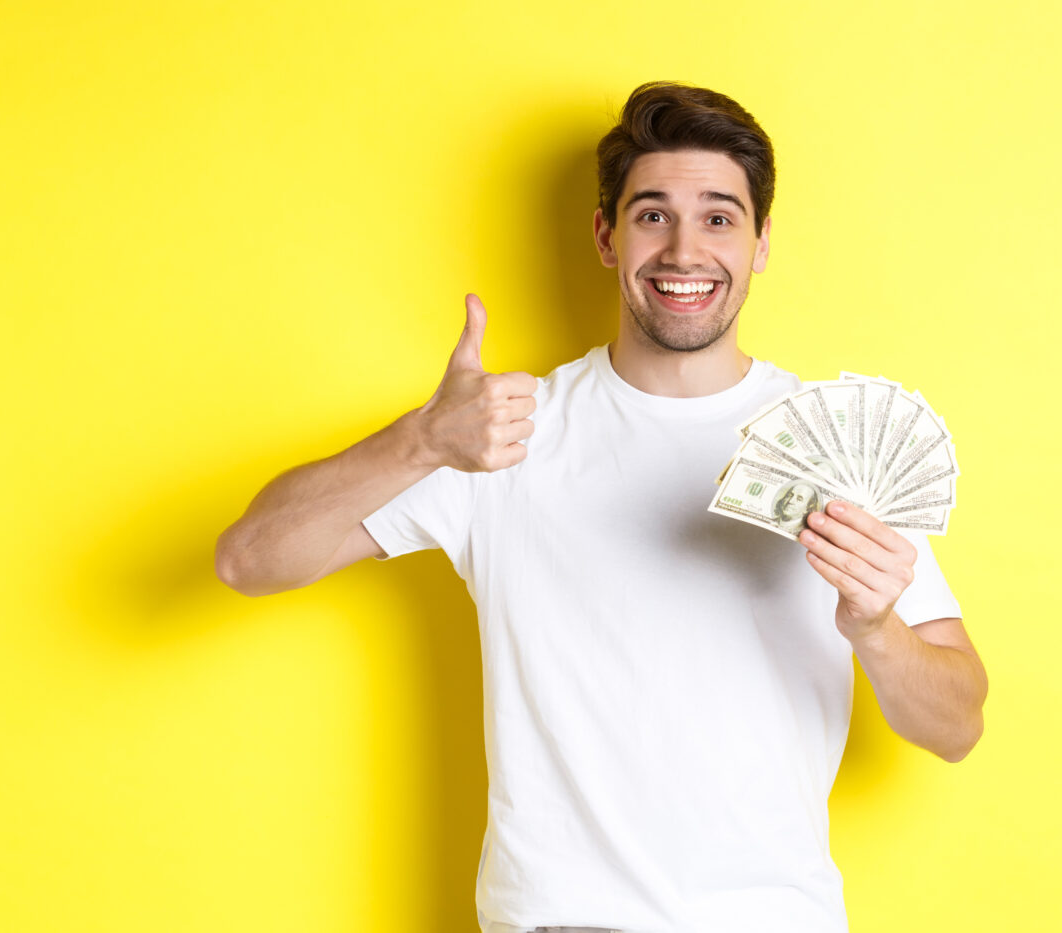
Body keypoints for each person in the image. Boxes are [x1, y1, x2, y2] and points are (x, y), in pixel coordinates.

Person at [214, 81, 987, 933]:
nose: (685, 249)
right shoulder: (499, 435)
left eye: (720, 218)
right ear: (605, 237)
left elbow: (956, 725)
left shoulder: (835, 447)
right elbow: (248, 558)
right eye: (652, 215)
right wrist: (421, 441)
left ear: (762, 242)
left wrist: (878, 627)